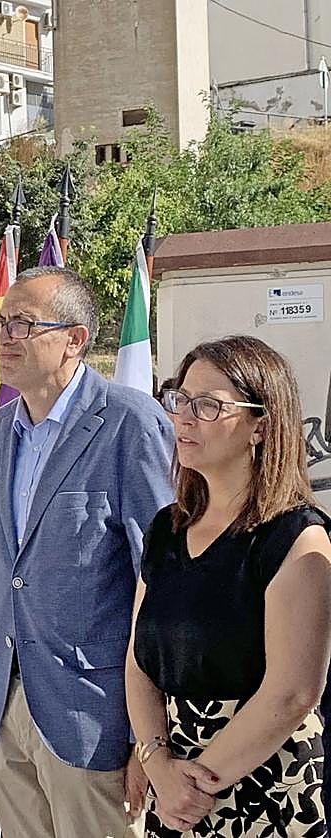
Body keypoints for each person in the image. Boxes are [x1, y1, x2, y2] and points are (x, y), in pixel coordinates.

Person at [0, 266, 174, 837]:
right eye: (1, 324)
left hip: (95, 712)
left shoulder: (129, 422)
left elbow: (156, 579)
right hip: (7, 706)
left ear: (74, 340)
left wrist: (148, 732)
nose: (7, 337)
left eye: (25, 325)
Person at [128, 335, 331, 837]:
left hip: (263, 783)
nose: (184, 416)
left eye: (208, 405)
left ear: (260, 426)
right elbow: (137, 659)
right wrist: (156, 760)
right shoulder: (166, 529)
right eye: (179, 398)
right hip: (174, 783)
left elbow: (292, 692)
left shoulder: (298, 538)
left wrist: (192, 785)